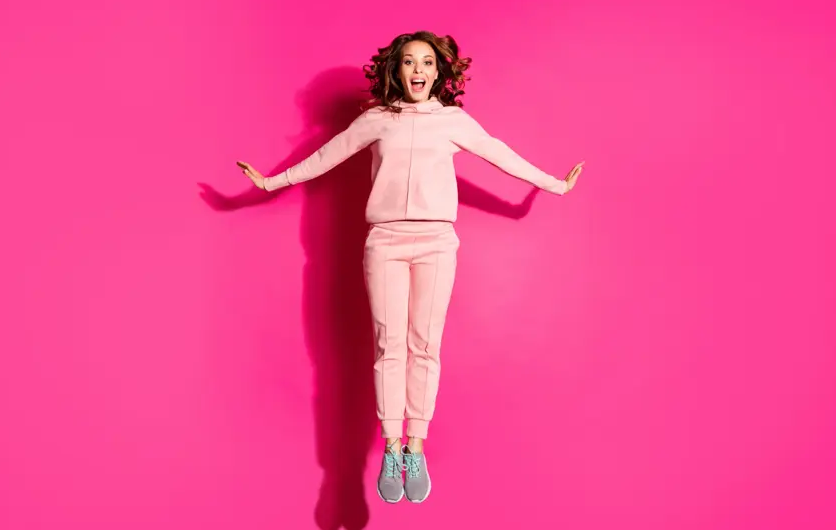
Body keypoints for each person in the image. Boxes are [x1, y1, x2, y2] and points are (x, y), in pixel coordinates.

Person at [237, 31, 584, 504]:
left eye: (426, 62)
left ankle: (415, 446)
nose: (417, 69)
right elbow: (325, 156)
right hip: (385, 241)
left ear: (438, 72)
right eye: (408, 61)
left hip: (437, 243)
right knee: (389, 343)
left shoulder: (453, 121)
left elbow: (499, 153)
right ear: (396, 70)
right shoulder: (377, 120)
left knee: (425, 345)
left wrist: (554, 185)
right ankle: (391, 446)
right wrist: (271, 182)